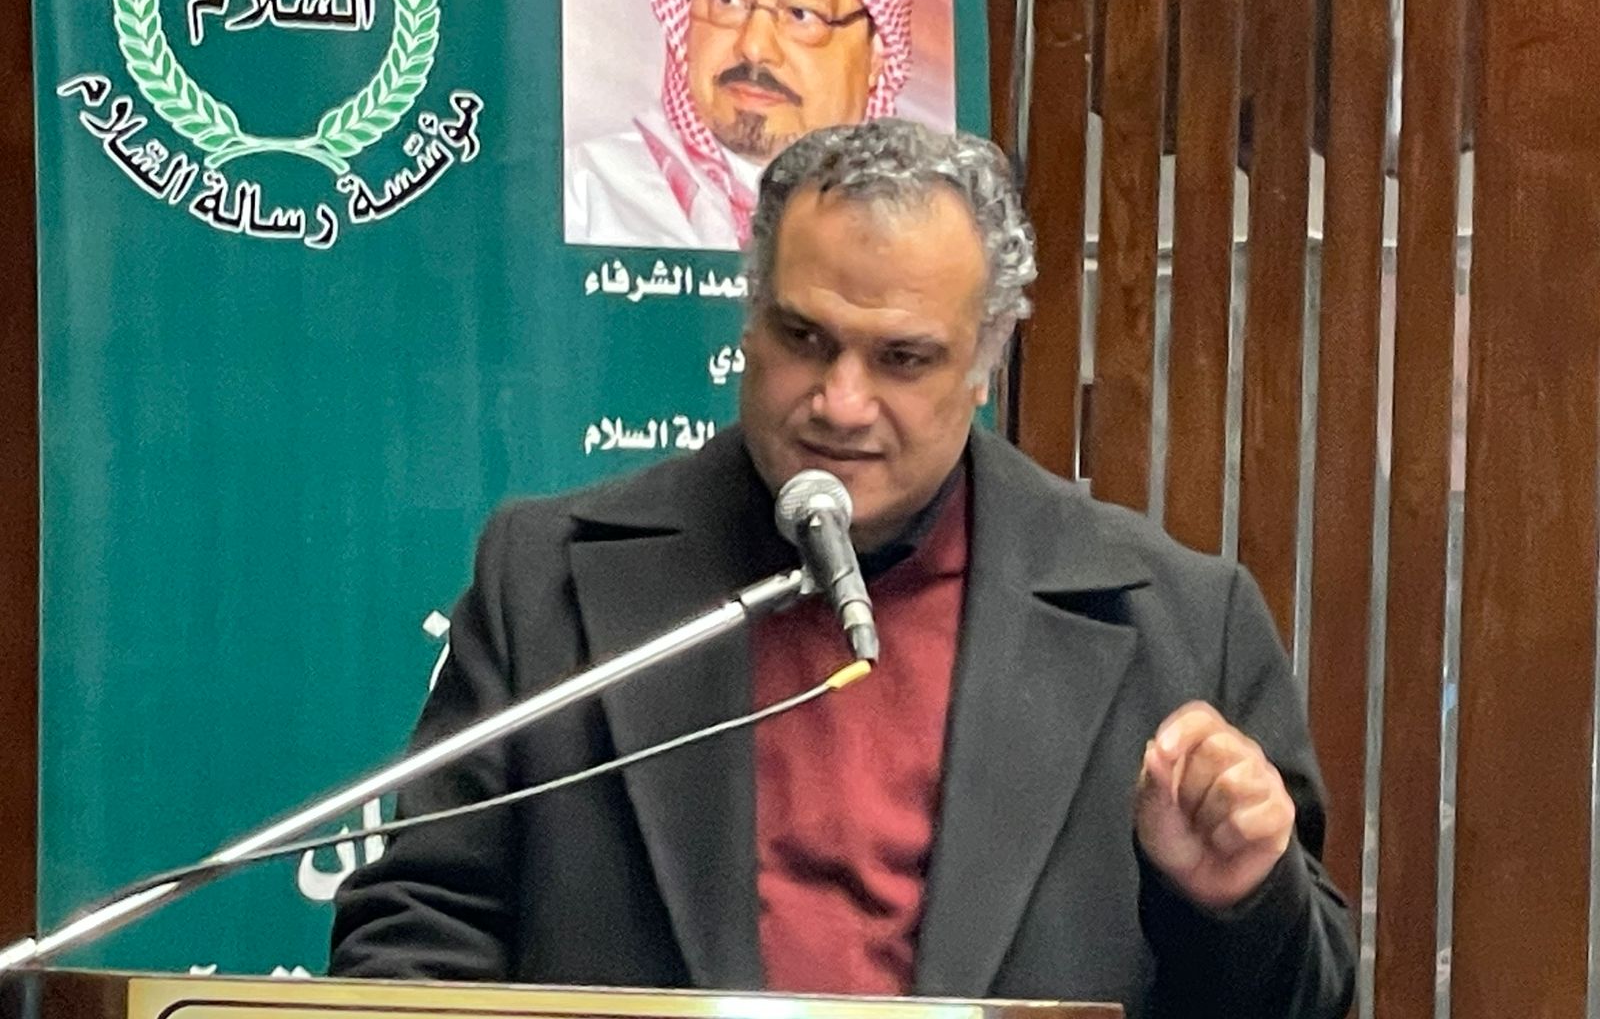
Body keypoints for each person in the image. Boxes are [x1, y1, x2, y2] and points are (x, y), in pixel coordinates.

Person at [334, 120, 1356, 1017]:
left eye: (902, 358)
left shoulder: (1179, 622)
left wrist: (1238, 900)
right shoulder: (548, 580)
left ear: (987, 358)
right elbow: (420, 931)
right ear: (750, 319)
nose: (840, 402)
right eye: (804, 339)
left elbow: (1305, 1001)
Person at [563, 0, 918, 251]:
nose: (754, 48)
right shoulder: (584, 197)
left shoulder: (921, 232)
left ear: (877, 52)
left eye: (801, 14)